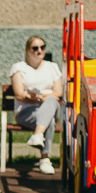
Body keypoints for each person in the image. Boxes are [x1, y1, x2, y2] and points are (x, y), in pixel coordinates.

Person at [9, 36, 61, 175]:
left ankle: (38, 135)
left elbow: (58, 92)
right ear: (27, 50)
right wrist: (32, 98)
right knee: (48, 119)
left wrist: (43, 97)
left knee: (51, 103)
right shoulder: (18, 67)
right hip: (26, 112)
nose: (39, 51)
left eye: (42, 47)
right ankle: (45, 159)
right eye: (35, 48)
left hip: (48, 106)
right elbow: (19, 94)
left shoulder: (52, 67)